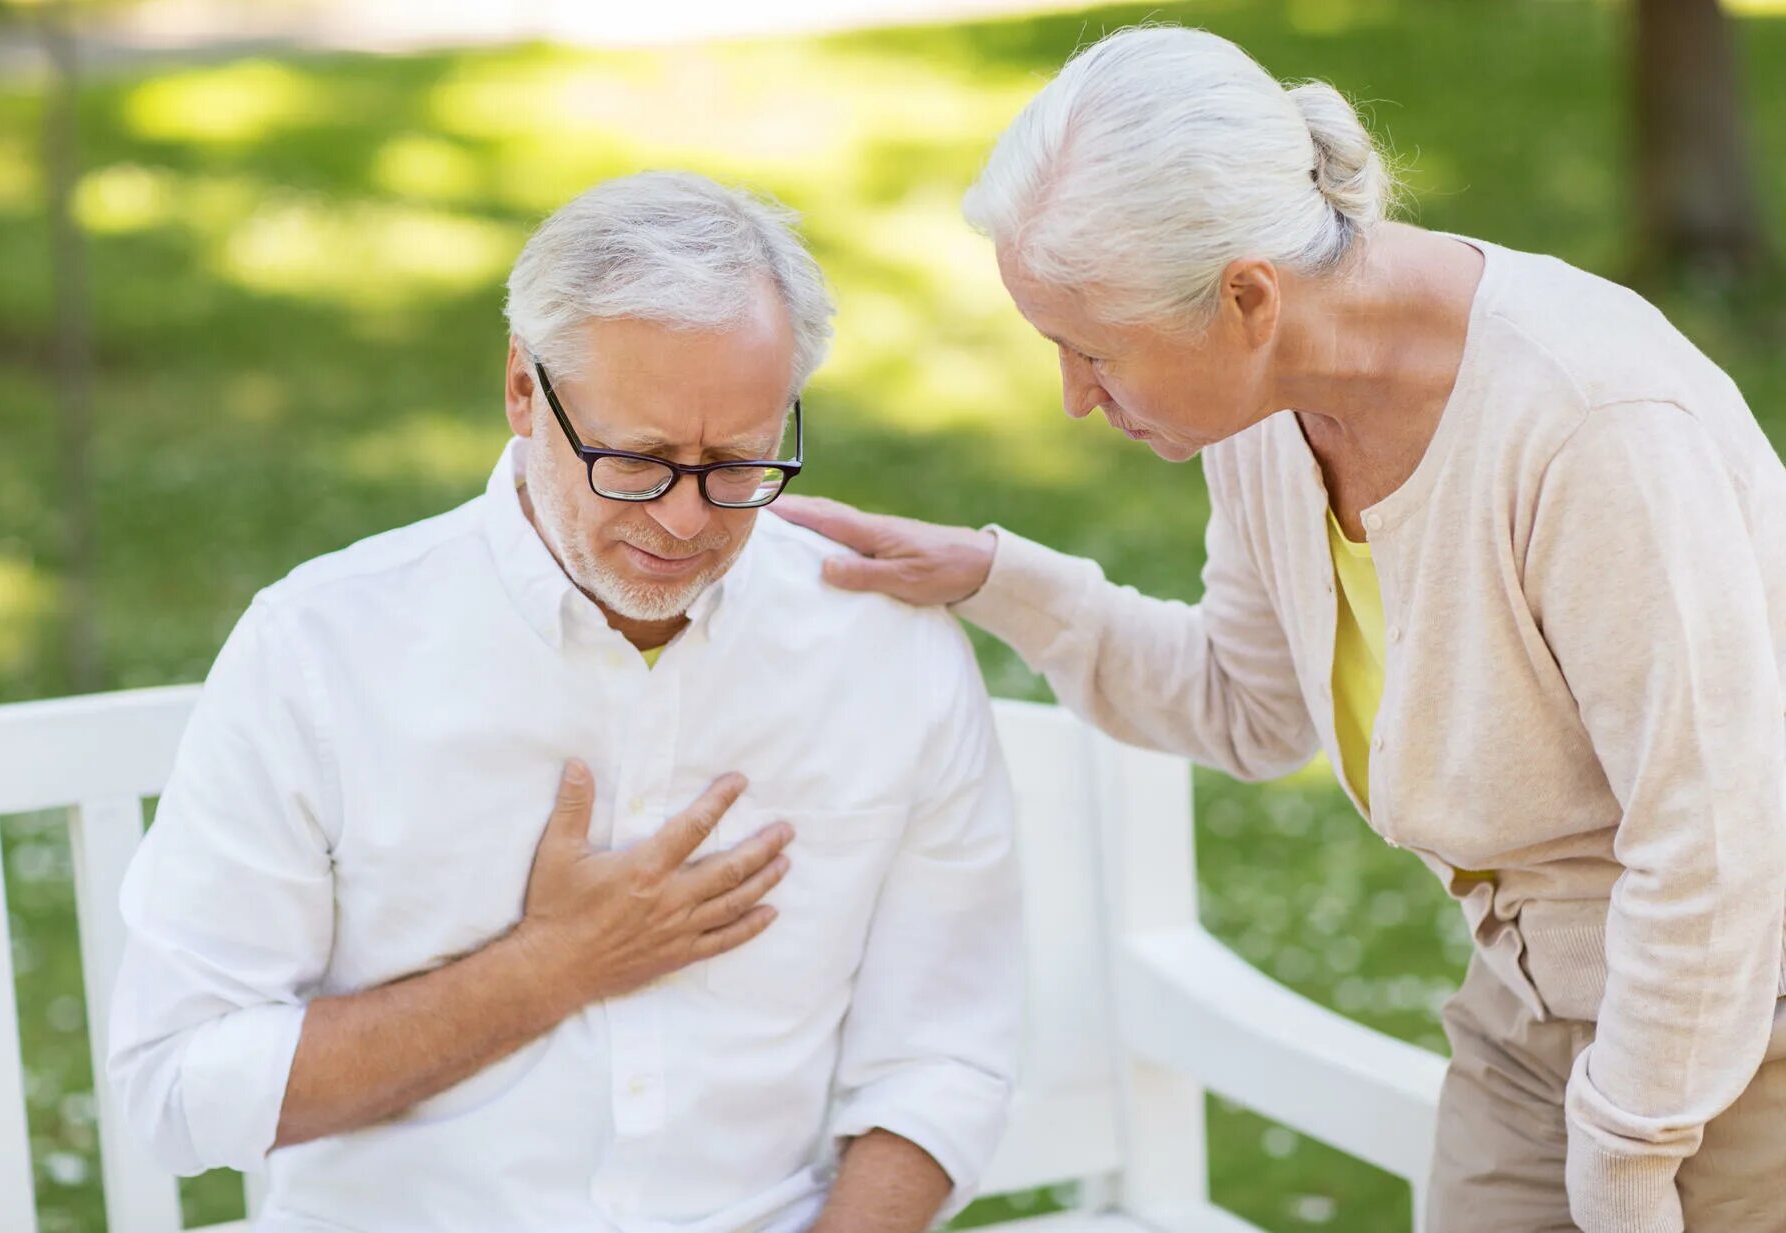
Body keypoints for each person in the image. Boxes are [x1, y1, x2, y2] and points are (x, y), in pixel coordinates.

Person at [775, 25, 1786, 1233]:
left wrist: (1626, 1163)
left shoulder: (1592, 426)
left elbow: (1718, 842)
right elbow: (1247, 707)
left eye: (1093, 350)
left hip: (1738, 1015)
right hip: (1536, 1003)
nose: (1074, 399)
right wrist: (996, 578)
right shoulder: (1273, 412)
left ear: (1248, 297)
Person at [108, 171, 1022, 1233]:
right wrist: (545, 971)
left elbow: (943, 1057)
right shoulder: (320, 648)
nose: (685, 520)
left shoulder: (884, 647)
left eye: (734, 464)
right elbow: (176, 1091)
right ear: (520, 390)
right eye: (635, 461)